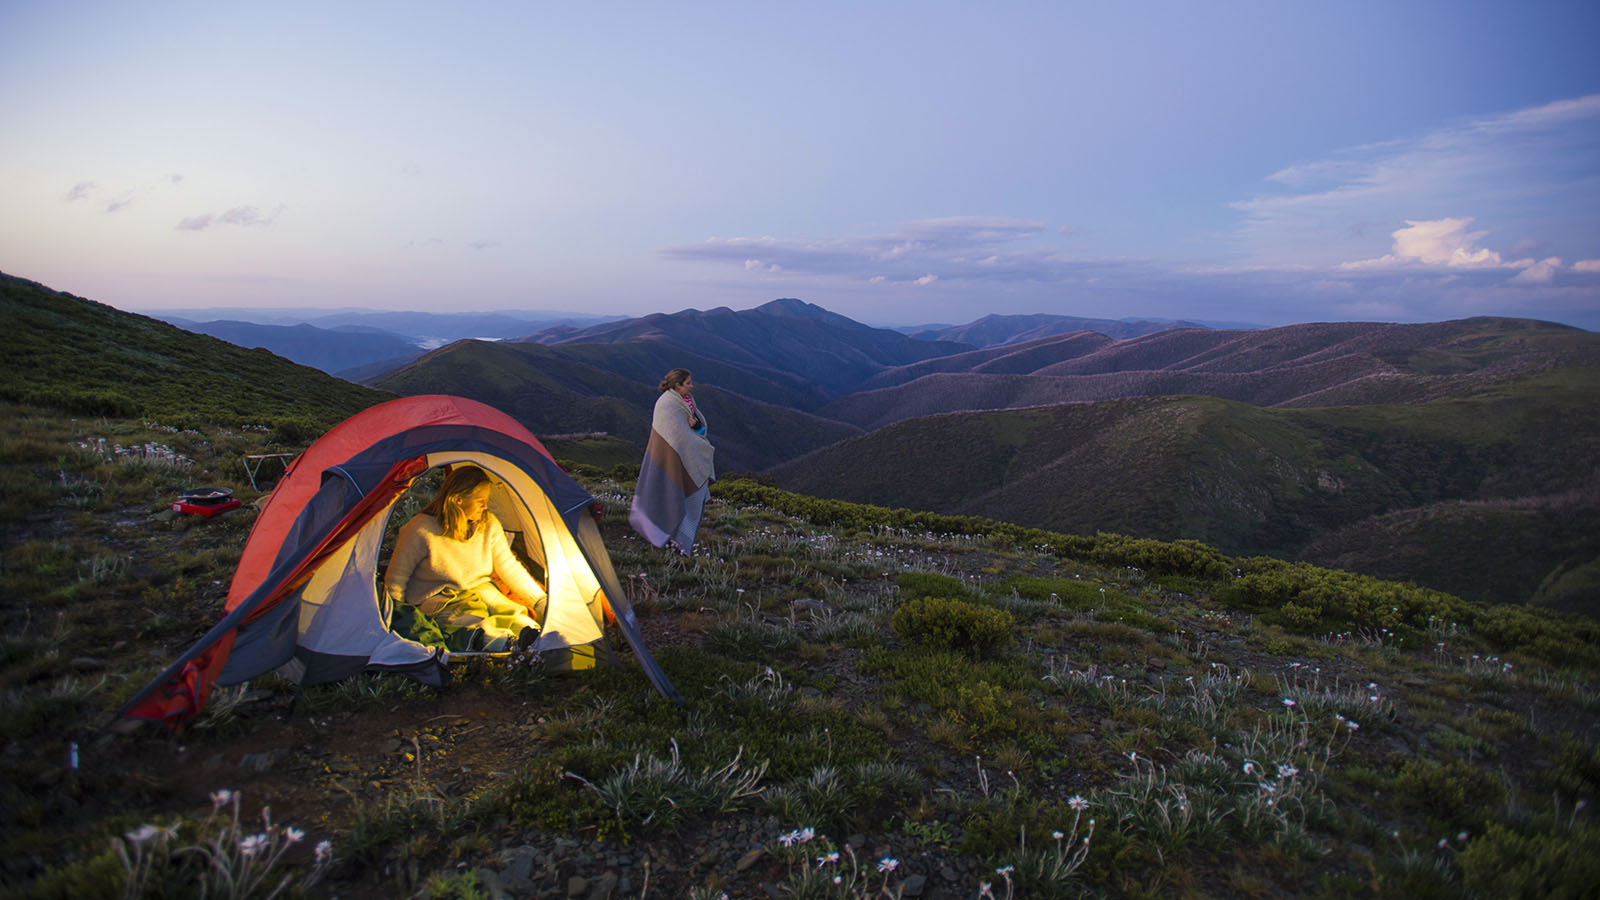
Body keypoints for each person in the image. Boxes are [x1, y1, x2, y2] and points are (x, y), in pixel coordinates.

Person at [383, 465, 546, 652]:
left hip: (480, 589)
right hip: (440, 596)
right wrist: (395, 618)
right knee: (469, 619)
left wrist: (540, 602)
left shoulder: (488, 524)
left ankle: (533, 635)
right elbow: (396, 580)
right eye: (480, 500)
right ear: (458, 500)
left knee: (510, 610)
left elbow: (509, 568)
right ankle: (497, 643)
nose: (485, 506)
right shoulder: (420, 530)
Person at [629, 368, 715, 554]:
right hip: (669, 458)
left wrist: (698, 429)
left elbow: (695, 430)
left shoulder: (686, 401)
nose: (692, 386)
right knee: (669, 495)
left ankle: (680, 542)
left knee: (689, 501)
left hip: (685, 456)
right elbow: (676, 438)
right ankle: (668, 539)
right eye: (688, 383)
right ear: (677, 385)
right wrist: (703, 447)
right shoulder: (668, 405)